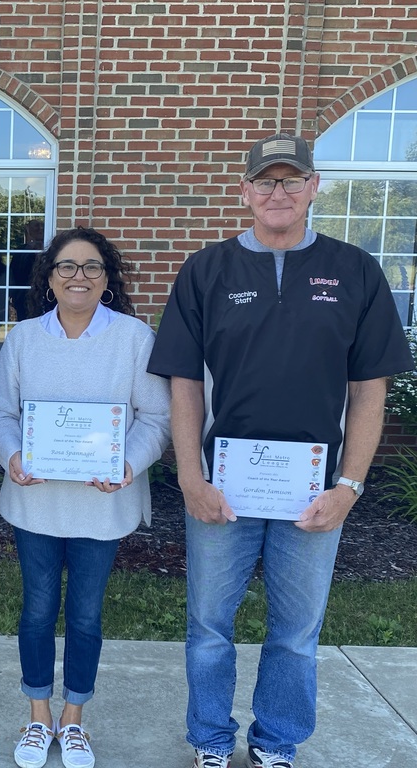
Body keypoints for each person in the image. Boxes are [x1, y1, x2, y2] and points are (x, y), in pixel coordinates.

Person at [147, 133, 414, 768]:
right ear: (244, 191)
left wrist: (348, 487)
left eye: (292, 181)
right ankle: (211, 740)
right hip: (224, 485)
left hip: (313, 488)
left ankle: (276, 741)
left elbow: (367, 389)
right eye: (266, 181)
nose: (279, 193)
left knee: (296, 633)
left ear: (314, 188)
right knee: (209, 628)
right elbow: (183, 381)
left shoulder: (355, 271)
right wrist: (190, 474)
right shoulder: (206, 269)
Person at [0, 227, 171, 768]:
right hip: (35, 503)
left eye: (91, 266)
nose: (79, 276)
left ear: (107, 278)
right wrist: (12, 456)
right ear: (49, 278)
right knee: (38, 611)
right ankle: (39, 716)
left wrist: (128, 464)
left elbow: (155, 418)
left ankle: (74, 718)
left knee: (86, 616)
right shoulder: (22, 339)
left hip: (104, 504)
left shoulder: (134, 338)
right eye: (66, 266)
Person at [11, 219, 44, 322]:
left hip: (43, 294)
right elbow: (14, 272)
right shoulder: (21, 250)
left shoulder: (49, 249)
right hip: (23, 295)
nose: (40, 229)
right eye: (36, 226)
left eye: (41, 226)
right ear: (28, 230)